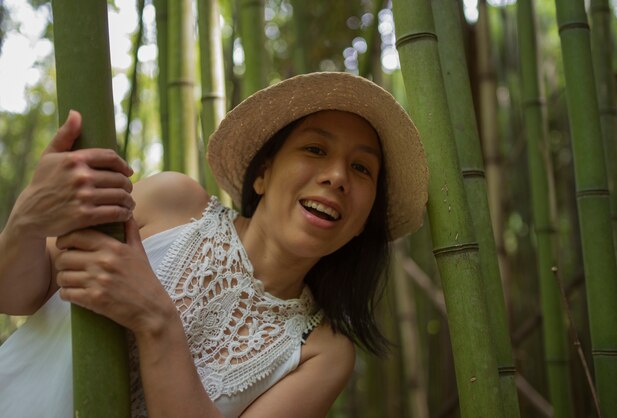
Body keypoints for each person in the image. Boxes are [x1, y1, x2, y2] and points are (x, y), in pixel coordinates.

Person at [0, 71, 428, 417]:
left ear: (362, 223)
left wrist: (157, 320)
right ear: (261, 174)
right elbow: (14, 295)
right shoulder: (172, 202)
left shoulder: (322, 354)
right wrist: (26, 221)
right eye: (315, 149)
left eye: (361, 169)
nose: (337, 176)